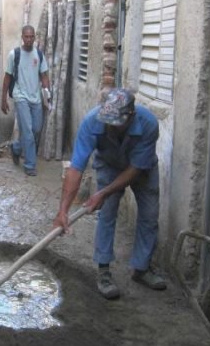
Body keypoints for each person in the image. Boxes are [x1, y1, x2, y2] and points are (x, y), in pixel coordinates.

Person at [52, 88, 166, 299]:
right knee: (107, 213)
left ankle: (142, 268)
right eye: (107, 122)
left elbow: (135, 170)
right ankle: (103, 270)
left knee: (149, 216)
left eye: (116, 123)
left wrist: (103, 192)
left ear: (130, 117)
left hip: (141, 168)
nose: (110, 127)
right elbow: (76, 168)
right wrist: (63, 210)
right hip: (109, 163)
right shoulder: (91, 122)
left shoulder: (149, 124)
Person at [1, 25, 49, 177]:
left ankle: (16, 148)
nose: (29, 39)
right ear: (22, 37)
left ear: (35, 37)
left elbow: (44, 76)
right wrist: (3, 99)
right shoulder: (14, 55)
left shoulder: (39, 55)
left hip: (36, 98)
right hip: (20, 96)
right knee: (27, 131)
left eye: (31, 36)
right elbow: (8, 77)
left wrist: (47, 94)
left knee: (36, 129)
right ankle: (29, 165)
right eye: (26, 37)